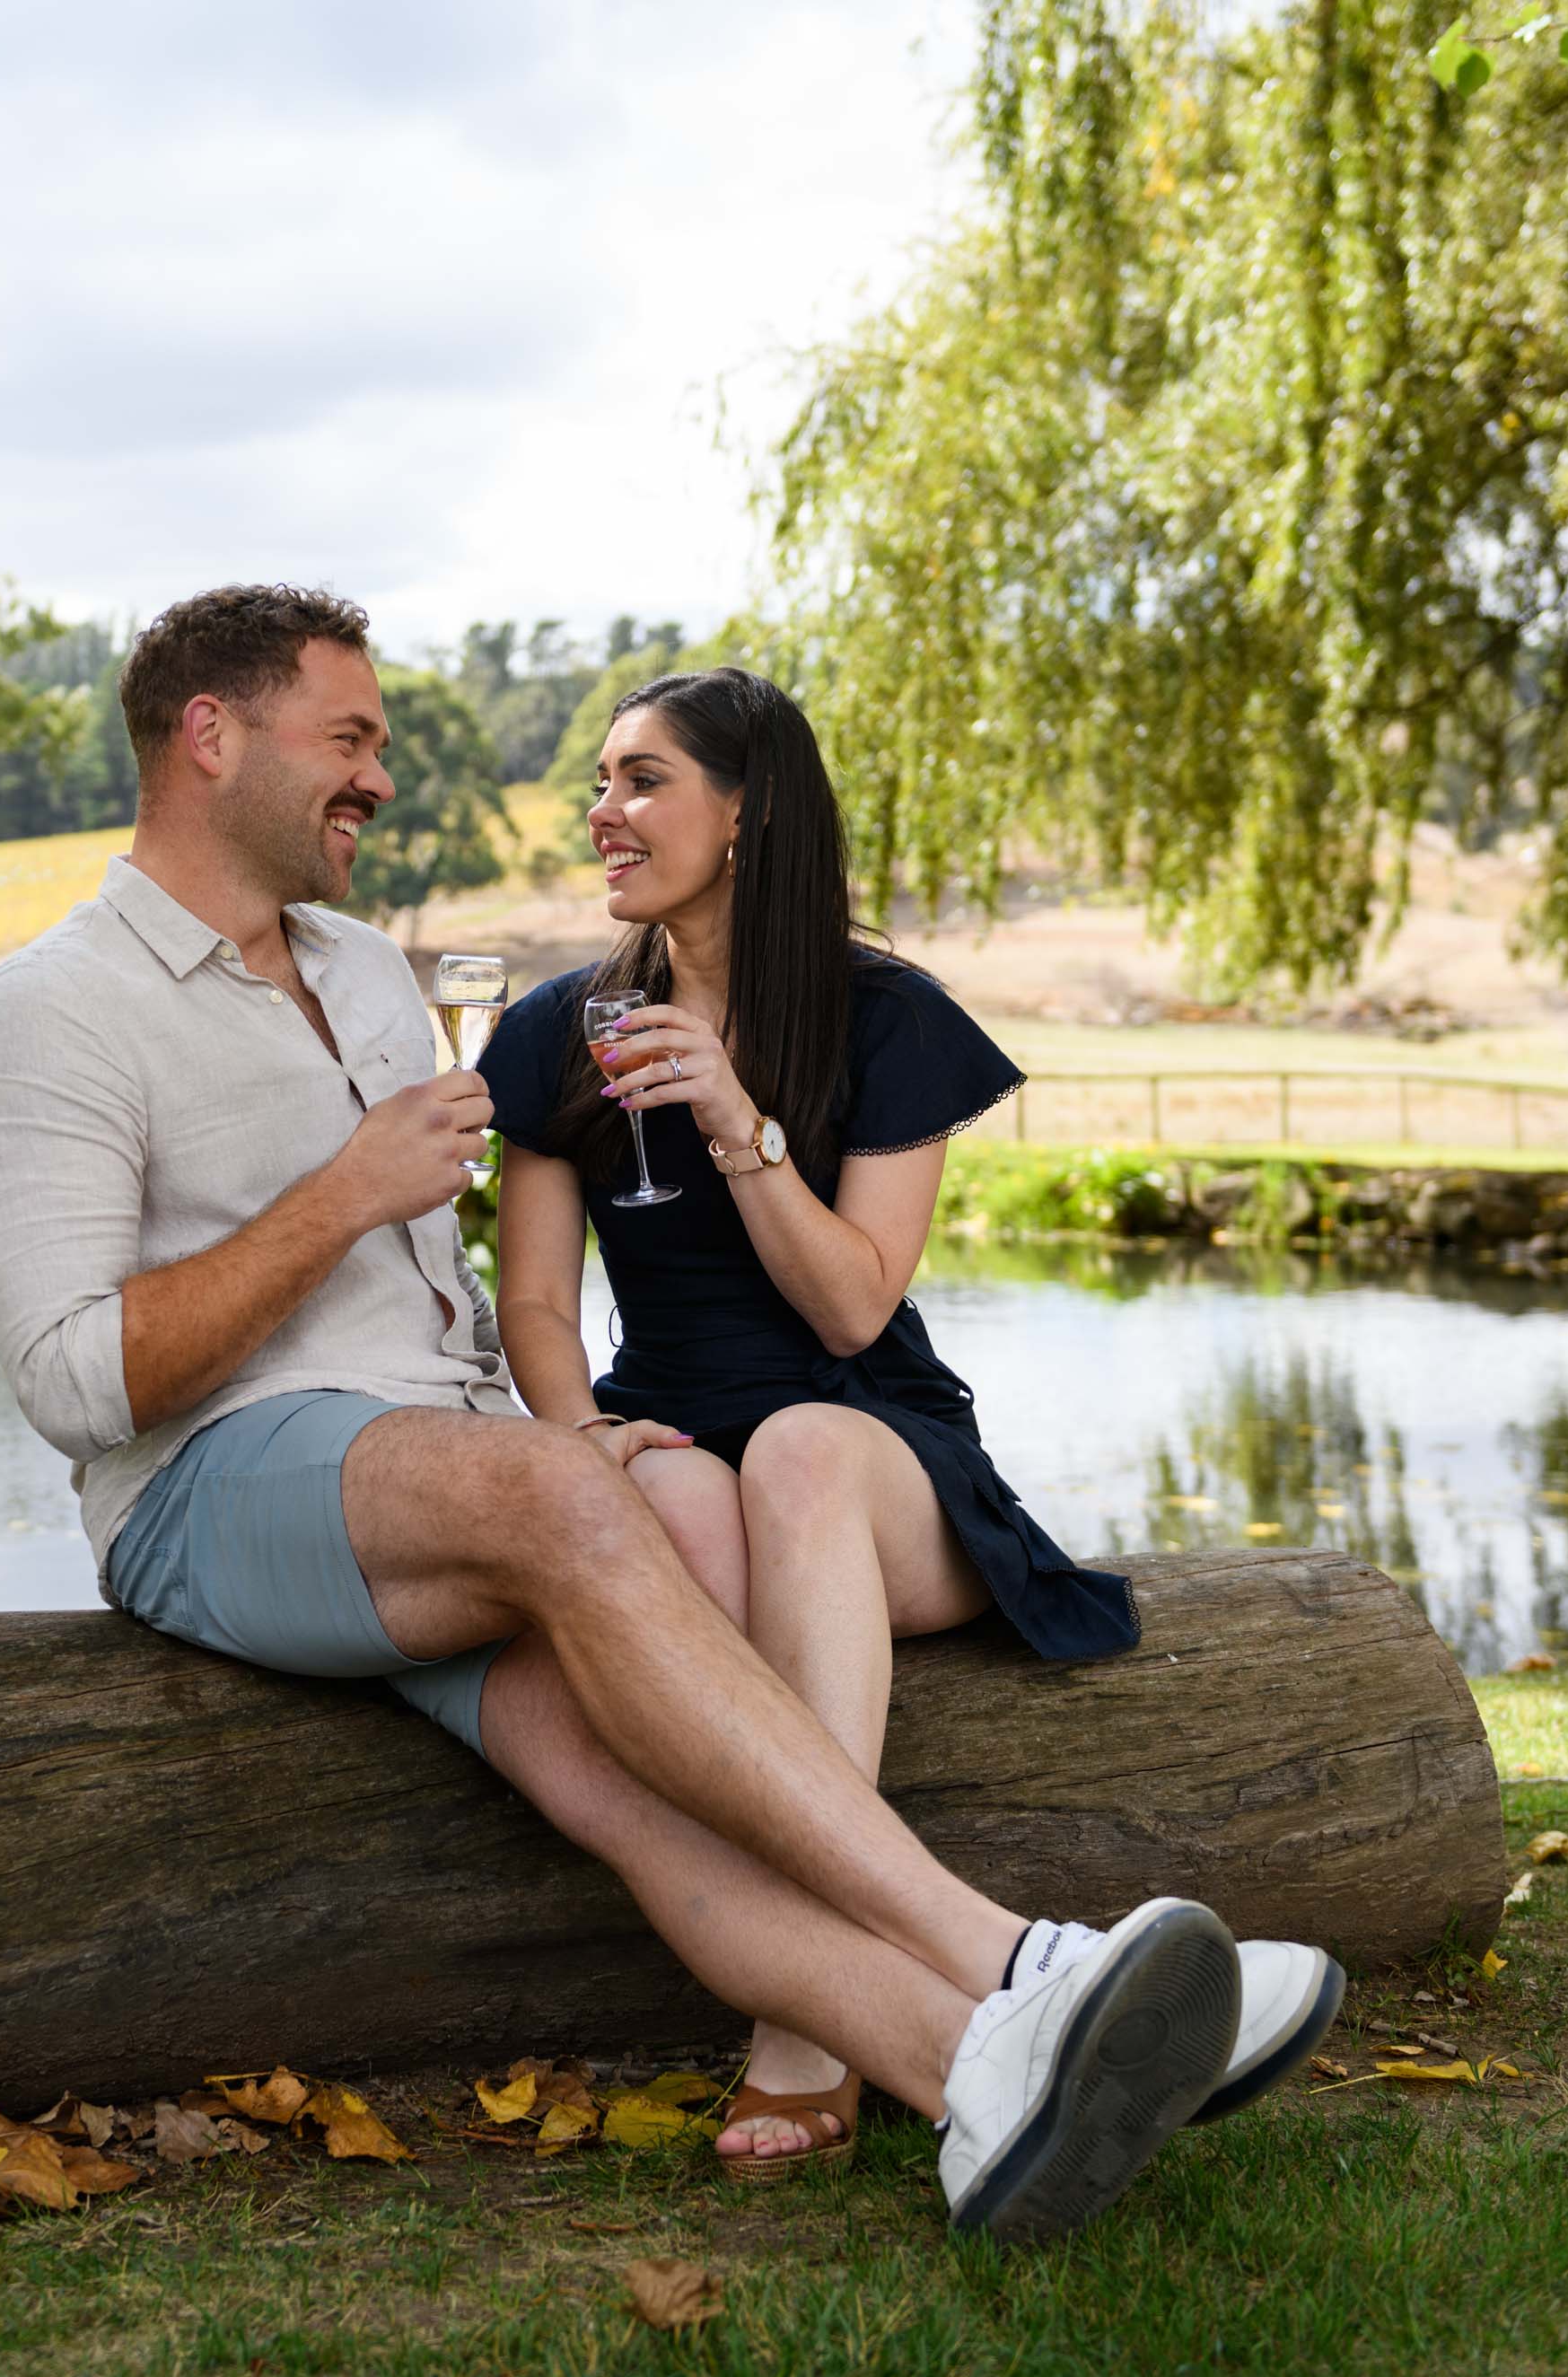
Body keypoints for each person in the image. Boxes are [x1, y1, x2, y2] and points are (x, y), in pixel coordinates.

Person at [0, 584, 1240, 2243]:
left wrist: (558, 1419)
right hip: (221, 1482)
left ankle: (972, 2075)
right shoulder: (52, 1009)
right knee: (578, 1501)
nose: (381, 781)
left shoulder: (351, 964)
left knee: (652, 1755)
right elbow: (67, 1379)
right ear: (213, 737)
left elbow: (514, 1309)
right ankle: (1018, 1957)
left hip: (437, 1481)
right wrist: (351, 1205)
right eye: (349, 740)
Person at [477, 667, 1347, 2175]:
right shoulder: (564, 1028)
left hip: (874, 1454)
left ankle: (812, 2022)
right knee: (668, 1492)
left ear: (747, 812)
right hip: (675, 1433)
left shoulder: (887, 1017)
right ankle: (963, 1993)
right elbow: (542, 1308)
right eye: (601, 786)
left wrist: (739, 1126)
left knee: (799, 1451)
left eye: (643, 781)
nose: (605, 816)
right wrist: (578, 1434)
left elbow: (851, 1313)